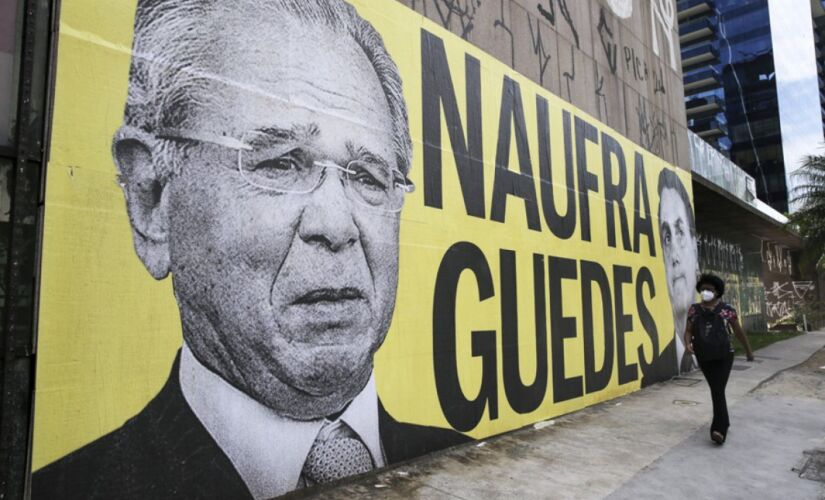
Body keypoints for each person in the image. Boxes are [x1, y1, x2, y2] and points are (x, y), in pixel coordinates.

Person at [32, 1, 467, 498]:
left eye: (369, 177)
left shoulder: (478, 467)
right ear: (152, 197)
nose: (337, 224)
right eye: (281, 165)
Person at [641, 168, 700, 386]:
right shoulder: (648, 377)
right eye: (667, 238)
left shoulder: (713, 349)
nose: (674, 255)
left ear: (695, 249)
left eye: (680, 233)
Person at [684, 273, 754, 445]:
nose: (705, 292)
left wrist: (748, 351)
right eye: (703, 289)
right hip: (704, 355)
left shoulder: (727, 310)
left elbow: (738, 331)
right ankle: (724, 422)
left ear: (717, 292)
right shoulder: (694, 309)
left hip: (724, 355)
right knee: (717, 389)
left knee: (717, 389)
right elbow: (688, 330)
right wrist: (687, 344)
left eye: (709, 289)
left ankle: (719, 429)